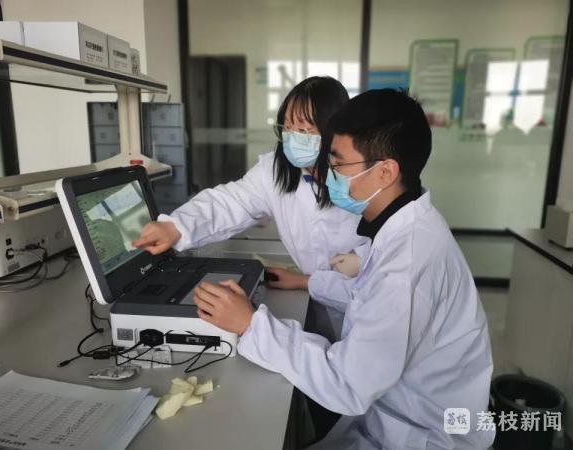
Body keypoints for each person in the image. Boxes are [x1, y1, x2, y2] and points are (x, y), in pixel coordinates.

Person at [192, 89, 495, 449]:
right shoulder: (406, 224)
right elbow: (368, 293)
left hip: (420, 436)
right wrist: (307, 282)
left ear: (385, 172)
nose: (327, 175)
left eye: (337, 165)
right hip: (395, 417)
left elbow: (349, 383)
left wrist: (250, 325)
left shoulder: (408, 260)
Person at [133, 76, 368, 342]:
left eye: (304, 130)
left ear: (332, 130)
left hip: (365, 310)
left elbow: (388, 246)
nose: (293, 138)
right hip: (317, 302)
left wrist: (359, 260)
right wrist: (177, 226)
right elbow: (231, 201)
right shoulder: (276, 170)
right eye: (287, 127)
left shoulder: (360, 174)